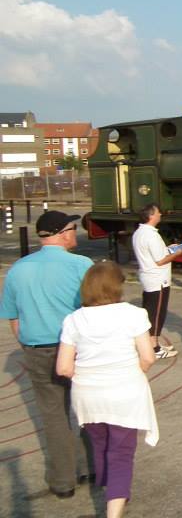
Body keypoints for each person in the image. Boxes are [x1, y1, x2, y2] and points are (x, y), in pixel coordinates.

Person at [0, 210, 93, 499]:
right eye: (73, 228)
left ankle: (63, 480)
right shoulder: (82, 265)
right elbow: (95, 310)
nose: (76, 232)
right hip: (77, 349)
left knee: (54, 416)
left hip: (37, 349)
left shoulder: (18, 269)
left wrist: (29, 344)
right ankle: (90, 466)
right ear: (63, 233)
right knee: (87, 409)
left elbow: (14, 318)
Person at [56, 261, 158, 518]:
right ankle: (114, 506)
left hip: (88, 395)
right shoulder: (134, 314)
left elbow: (63, 368)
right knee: (121, 452)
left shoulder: (73, 319)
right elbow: (148, 357)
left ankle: (114, 490)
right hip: (124, 390)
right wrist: (130, 373)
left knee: (100, 445)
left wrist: (88, 376)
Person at [131, 204, 182, 359]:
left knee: (151, 312)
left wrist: (168, 248)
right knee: (157, 315)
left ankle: (151, 344)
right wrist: (180, 251)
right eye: (157, 213)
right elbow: (161, 260)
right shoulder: (151, 235)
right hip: (158, 280)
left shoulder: (139, 232)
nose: (160, 214)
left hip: (148, 277)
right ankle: (154, 348)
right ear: (151, 216)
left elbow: (156, 254)